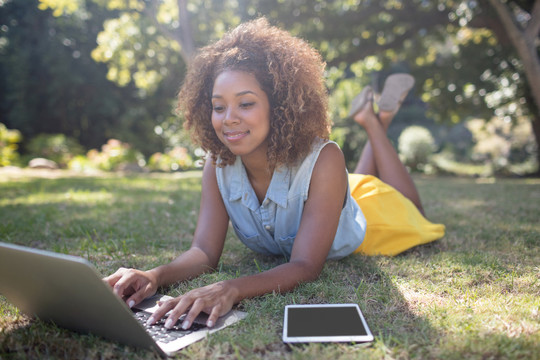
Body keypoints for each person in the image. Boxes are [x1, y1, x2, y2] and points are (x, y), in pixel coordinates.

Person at [104, 18, 445, 331]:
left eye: (246, 103)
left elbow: (306, 265)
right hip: (328, 194)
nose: (229, 118)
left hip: (370, 221)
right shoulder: (217, 163)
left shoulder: (324, 158)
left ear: (278, 105)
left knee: (413, 208)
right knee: (352, 179)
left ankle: (376, 121)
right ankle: (376, 121)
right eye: (219, 106)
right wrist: (153, 275)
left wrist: (231, 288)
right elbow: (205, 253)